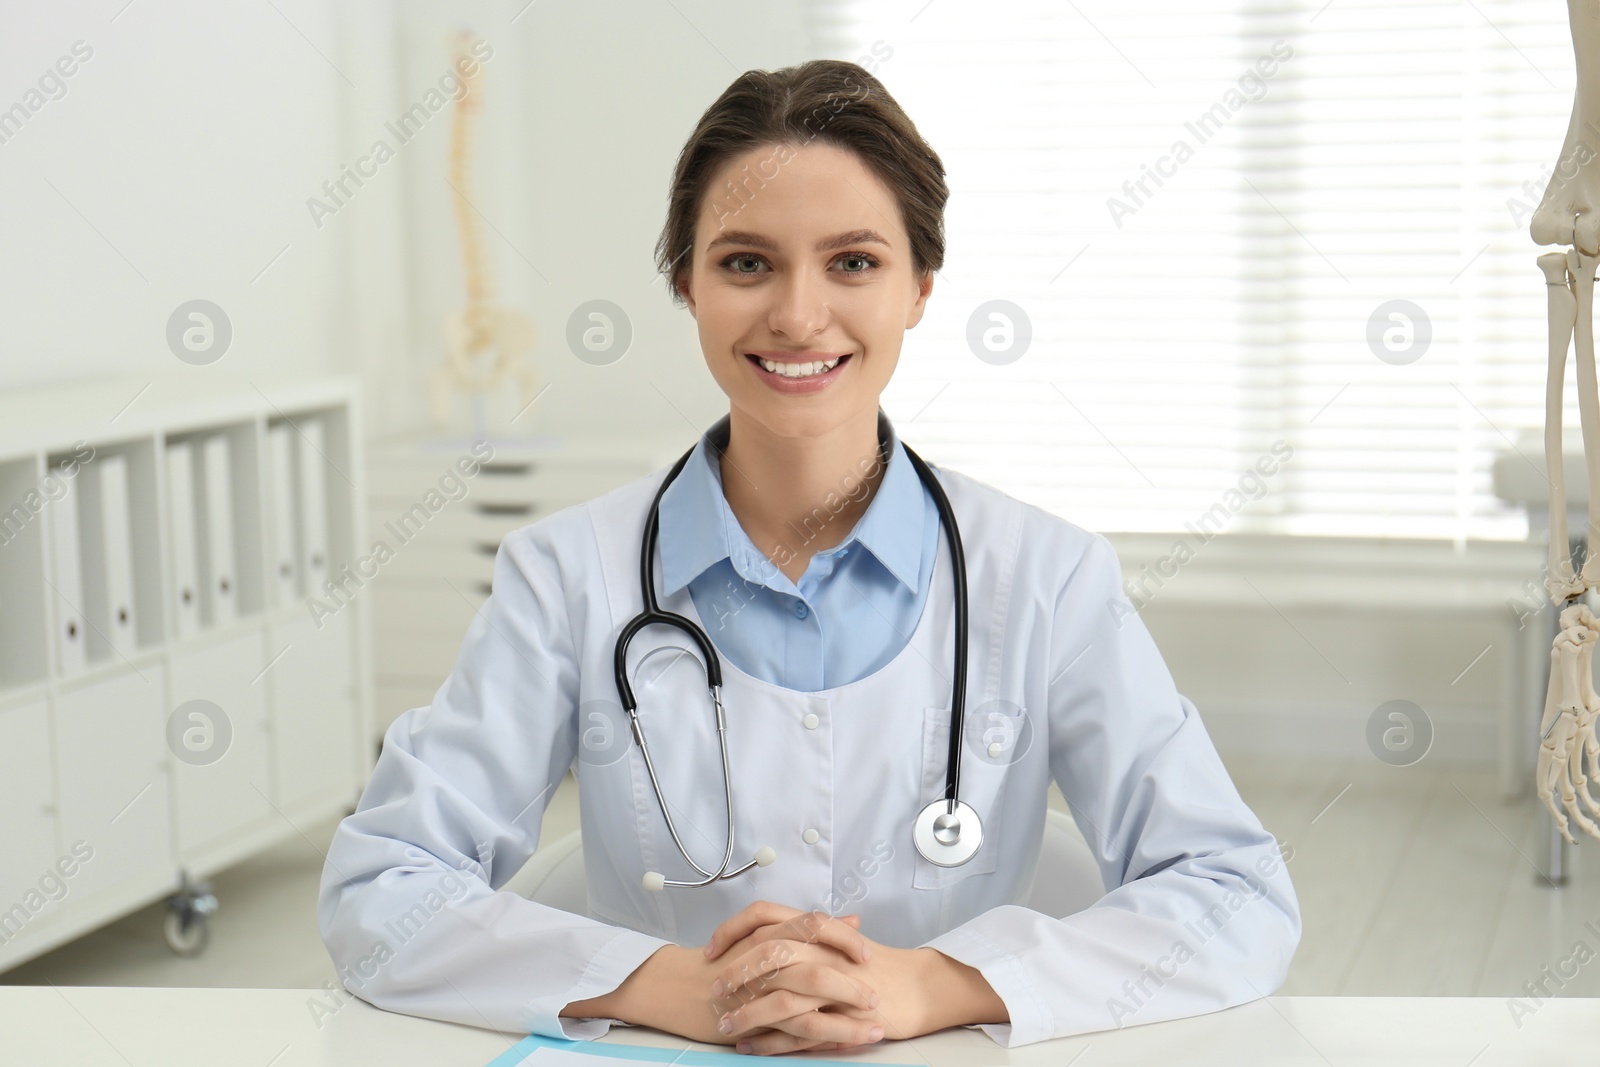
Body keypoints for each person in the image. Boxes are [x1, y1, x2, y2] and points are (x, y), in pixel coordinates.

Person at [318, 58, 1300, 1054]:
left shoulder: (1047, 577)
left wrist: (935, 985)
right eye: (745, 262)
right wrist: (679, 985)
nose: (796, 314)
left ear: (920, 285)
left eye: (853, 262)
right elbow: (381, 885)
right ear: (683, 281)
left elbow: (1235, 894)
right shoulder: (565, 575)